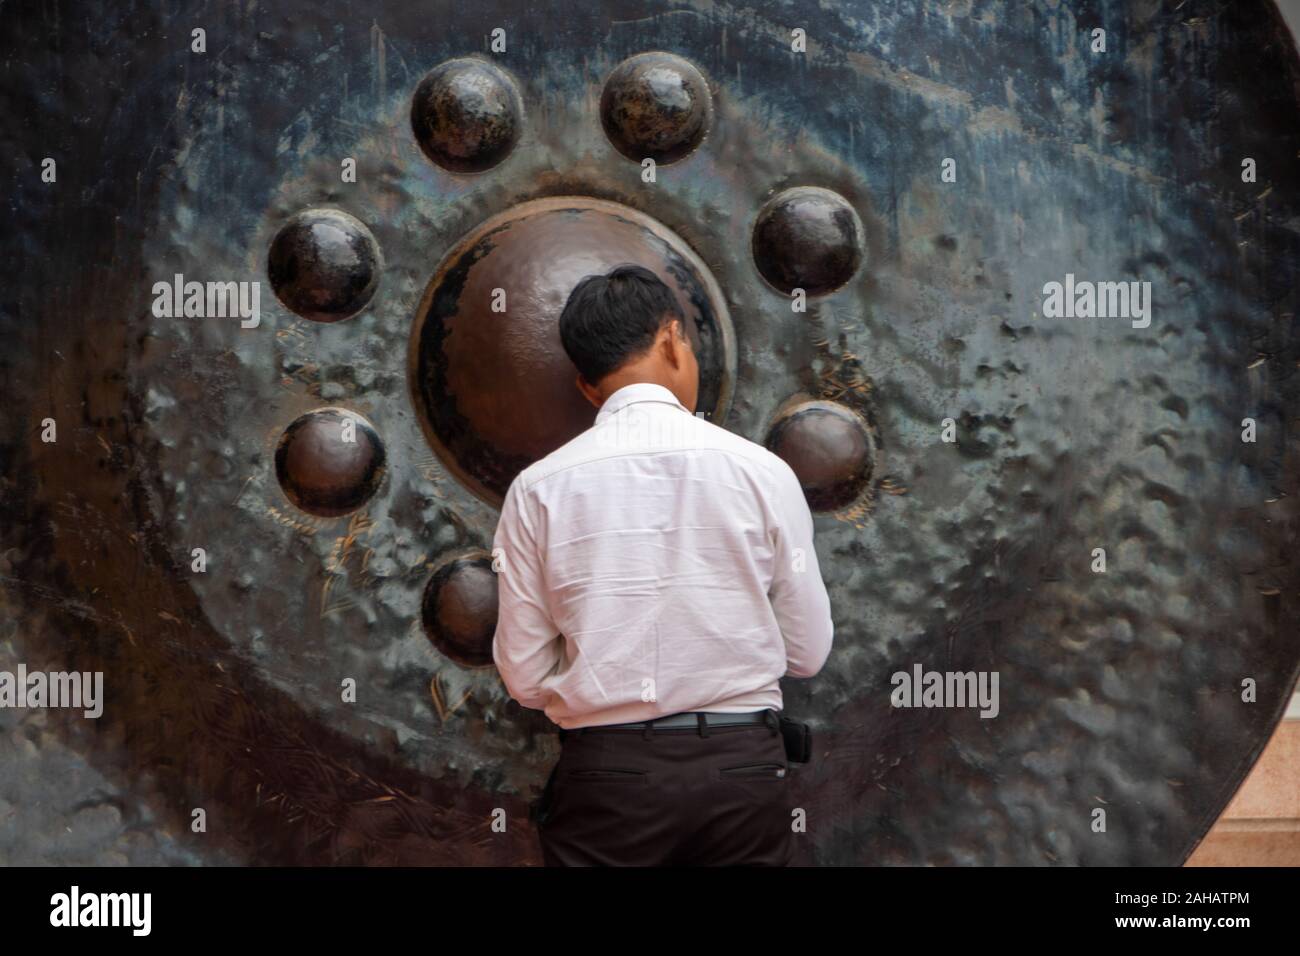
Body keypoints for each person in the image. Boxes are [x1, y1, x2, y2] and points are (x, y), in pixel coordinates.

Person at [491, 263, 834, 866]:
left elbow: (522, 672)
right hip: (741, 772)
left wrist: (604, 699)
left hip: (606, 779)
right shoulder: (761, 472)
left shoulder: (536, 490)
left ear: (588, 387)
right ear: (674, 339)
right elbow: (806, 652)